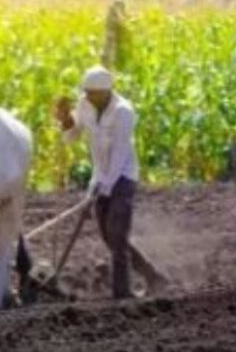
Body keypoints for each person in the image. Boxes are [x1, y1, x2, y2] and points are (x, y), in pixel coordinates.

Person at [55, 65, 168, 299]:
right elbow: (71, 138)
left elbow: (119, 152)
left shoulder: (123, 111)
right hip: (100, 175)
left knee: (117, 233)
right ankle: (152, 275)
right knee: (110, 237)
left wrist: (105, 187)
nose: (88, 97)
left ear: (107, 92)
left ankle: (122, 291)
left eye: (93, 93)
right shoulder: (84, 105)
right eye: (86, 92)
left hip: (124, 176)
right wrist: (66, 120)